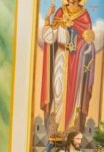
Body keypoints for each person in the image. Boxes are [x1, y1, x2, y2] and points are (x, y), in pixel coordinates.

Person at [39, 0, 96, 138]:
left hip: (76, 62)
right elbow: (49, 38)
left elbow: (88, 43)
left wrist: (85, 43)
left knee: (74, 93)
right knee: (58, 90)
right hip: (60, 58)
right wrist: (47, 18)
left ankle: (70, 130)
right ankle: (56, 126)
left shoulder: (84, 16)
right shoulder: (60, 12)